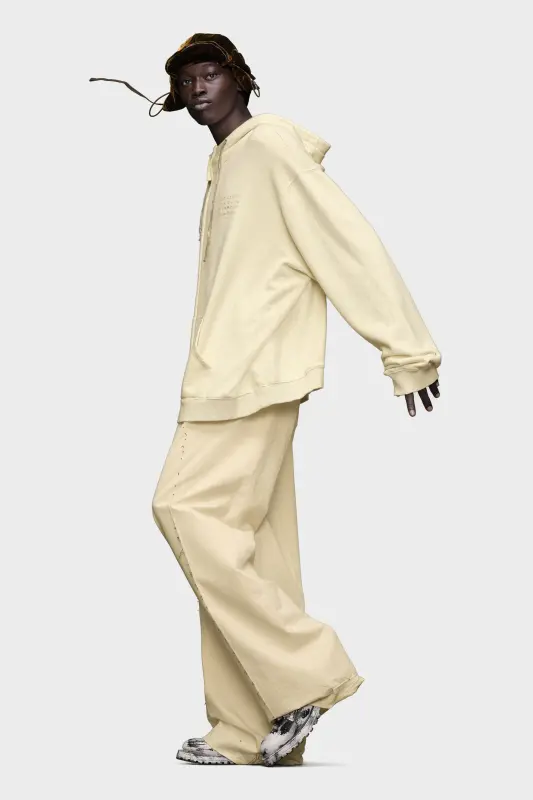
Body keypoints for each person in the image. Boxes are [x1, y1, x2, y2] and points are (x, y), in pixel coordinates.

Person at [91, 33, 442, 767]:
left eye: (209, 73)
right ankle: (250, 733)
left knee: (181, 509)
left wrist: (405, 350)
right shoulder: (228, 160)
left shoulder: (269, 148)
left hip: (244, 377)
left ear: (241, 78)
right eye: (186, 78)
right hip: (237, 374)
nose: (196, 87)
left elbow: (346, 243)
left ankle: (308, 674)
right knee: (255, 548)